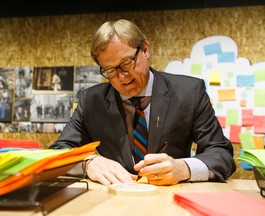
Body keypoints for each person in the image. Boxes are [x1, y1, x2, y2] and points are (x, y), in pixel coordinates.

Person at [49, 19, 236, 186]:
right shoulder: (91, 100)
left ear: (145, 50)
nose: (121, 77)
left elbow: (221, 154)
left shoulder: (188, 92)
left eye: (126, 63)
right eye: (110, 70)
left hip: (170, 199)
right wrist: (87, 162)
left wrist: (183, 168)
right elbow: (57, 152)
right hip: (114, 201)